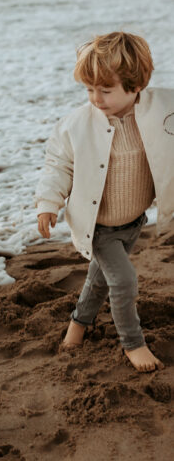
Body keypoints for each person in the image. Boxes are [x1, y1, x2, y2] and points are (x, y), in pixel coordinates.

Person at [35, 31, 174, 372]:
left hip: (135, 221)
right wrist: (47, 203)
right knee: (123, 281)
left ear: (136, 84)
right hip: (98, 226)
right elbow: (59, 165)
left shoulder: (165, 109)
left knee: (99, 281)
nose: (95, 98)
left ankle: (77, 327)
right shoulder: (75, 126)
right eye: (89, 89)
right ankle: (133, 343)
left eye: (105, 90)